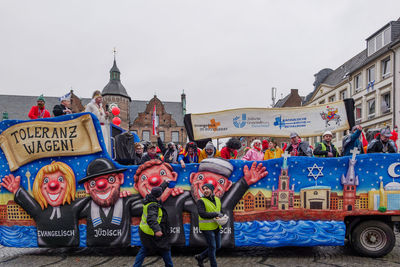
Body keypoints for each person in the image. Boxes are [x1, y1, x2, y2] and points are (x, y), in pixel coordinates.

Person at [0, 162, 89, 247]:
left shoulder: (74, 207)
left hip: (71, 242)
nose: (53, 185)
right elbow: (28, 202)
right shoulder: (40, 210)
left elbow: (90, 203)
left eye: (60, 179)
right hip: (44, 242)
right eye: (46, 180)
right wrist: (16, 189)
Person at [79, 158, 142, 247]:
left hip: (124, 245)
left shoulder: (128, 202)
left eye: (110, 179)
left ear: (120, 178)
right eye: (93, 183)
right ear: (87, 187)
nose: (101, 184)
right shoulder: (84, 206)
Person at [133, 185, 173, 267]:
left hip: (145, 231)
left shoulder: (150, 198)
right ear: (159, 195)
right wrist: (157, 230)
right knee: (165, 249)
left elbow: (159, 189)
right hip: (152, 233)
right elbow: (151, 219)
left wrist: (165, 183)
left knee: (144, 250)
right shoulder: (153, 205)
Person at [195, 183, 223, 267]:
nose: (205, 191)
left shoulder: (217, 199)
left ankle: (200, 256)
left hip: (216, 226)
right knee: (212, 247)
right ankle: (213, 265)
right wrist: (216, 214)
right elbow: (202, 214)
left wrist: (222, 217)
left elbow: (219, 210)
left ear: (212, 190)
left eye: (207, 189)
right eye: (204, 189)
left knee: (218, 246)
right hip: (206, 228)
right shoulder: (201, 201)